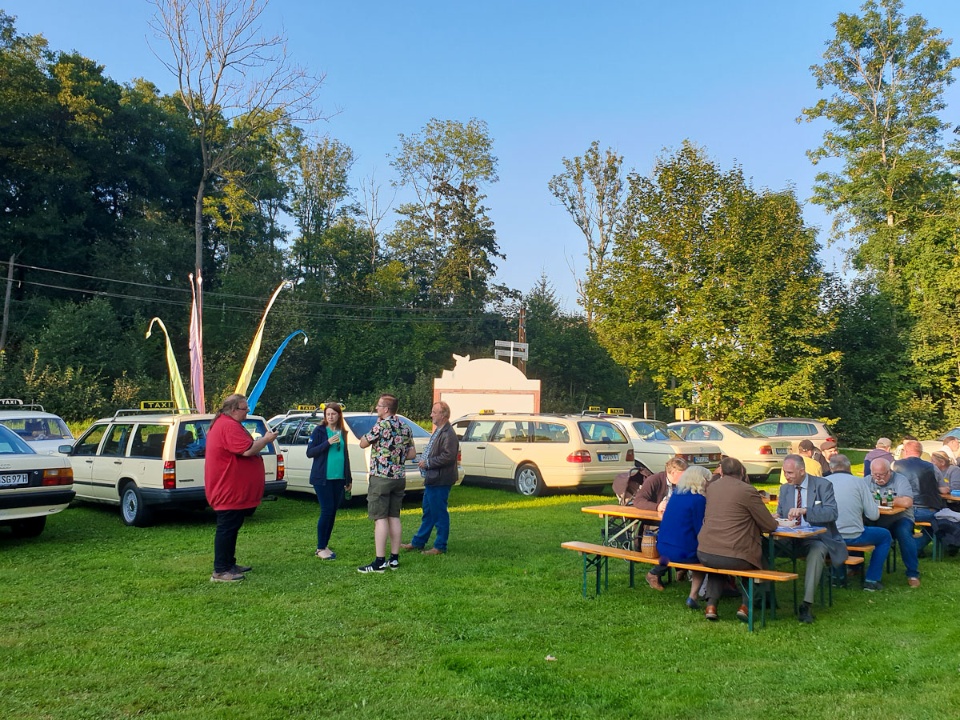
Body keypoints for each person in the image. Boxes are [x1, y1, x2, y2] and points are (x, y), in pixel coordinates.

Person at [205, 393, 278, 583]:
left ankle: (229, 564)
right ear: (233, 410)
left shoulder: (226, 424)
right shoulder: (228, 425)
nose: (248, 411)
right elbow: (247, 450)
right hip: (228, 488)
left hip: (231, 488)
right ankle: (220, 570)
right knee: (227, 528)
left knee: (232, 527)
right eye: (245, 408)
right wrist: (266, 439)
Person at [697, 457, 778, 623]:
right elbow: (768, 525)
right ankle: (747, 605)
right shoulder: (747, 490)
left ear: (721, 472)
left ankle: (711, 605)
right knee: (759, 560)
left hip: (705, 552)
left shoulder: (712, 488)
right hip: (735, 555)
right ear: (742, 472)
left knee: (719, 558)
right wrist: (776, 520)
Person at [776, 455, 847, 623]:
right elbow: (780, 513)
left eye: (790, 472)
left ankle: (806, 604)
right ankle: (763, 597)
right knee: (761, 546)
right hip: (789, 537)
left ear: (802, 471)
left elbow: (832, 513)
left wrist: (806, 511)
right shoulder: (785, 489)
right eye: (785, 472)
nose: (787, 476)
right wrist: (775, 517)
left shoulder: (823, 485)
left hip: (815, 537)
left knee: (817, 551)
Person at [357, 394, 416, 573]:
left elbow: (362, 443)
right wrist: (396, 456)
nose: (377, 408)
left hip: (381, 477)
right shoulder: (405, 427)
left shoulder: (381, 426)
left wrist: (384, 454)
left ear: (386, 409)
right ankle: (394, 559)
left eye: (379, 406)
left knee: (380, 519)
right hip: (399, 477)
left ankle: (379, 561)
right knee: (394, 517)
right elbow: (412, 454)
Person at [645, 465, 710, 609]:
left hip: (663, 548)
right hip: (683, 552)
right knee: (705, 557)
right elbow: (701, 530)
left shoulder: (675, 495)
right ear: (701, 480)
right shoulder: (699, 499)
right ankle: (694, 595)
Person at [826, 453, 891, 591]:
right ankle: (871, 579)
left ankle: (838, 577)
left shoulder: (821, 482)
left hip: (827, 536)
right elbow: (873, 515)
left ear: (831, 468)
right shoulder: (859, 483)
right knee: (885, 535)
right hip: (853, 535)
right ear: (849, 468)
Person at [402, 401, 459, 555]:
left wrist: (427, 463)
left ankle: (440, 546)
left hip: (440, 480)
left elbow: (448, 456)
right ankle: (418, 542)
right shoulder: (440, 431)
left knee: (439, 513)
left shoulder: (448, 434)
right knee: (428, 512)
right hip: (433, 479)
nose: (431, 415)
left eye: (434, 412)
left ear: (443, 415)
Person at [306, 402, 352, 560]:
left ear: (339, 415)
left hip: (338, 478)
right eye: (328, 414)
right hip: (322, 478)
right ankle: (320, 548)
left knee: (332, 512)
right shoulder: (319, 431)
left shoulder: (343, 432)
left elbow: (345, 456)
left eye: (333, 414)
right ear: (325, 416)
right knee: (327, 510)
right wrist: (327, 443)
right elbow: (310, 452)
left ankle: (325, 544)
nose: (331, 417)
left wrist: (348, 477)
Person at [864, 458, 920, 588]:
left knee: (904, 532)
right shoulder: (867, 480)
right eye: (875, 474)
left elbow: (907, 502)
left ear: (889, 471)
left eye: (881, 474)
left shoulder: (900, 480)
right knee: (857, 527)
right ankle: (855, 567)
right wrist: (893, 500)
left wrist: (882, 500)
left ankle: (912, 573)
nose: (878, 477)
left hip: (900, 518)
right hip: (875, 518)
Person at [893, 439, 945, 555]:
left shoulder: (894, 465)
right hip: (927, 509)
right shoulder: (932, 467)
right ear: (921, 452)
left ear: (905, 451)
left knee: (899, 525)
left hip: (901, 510)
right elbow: (944, 488)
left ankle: (909, 546)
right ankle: (916, 546)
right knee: (937, 523)